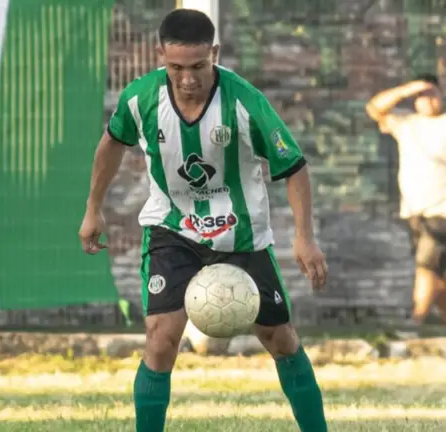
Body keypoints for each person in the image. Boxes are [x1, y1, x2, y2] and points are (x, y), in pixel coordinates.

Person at [79, 9, 328, 432]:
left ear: (214, 53)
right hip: (172, 230)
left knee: (281, 340)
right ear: (161, 55)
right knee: (160, 339)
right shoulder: (141, 98)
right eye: (176, 67)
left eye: (198, 66)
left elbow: (294, 166)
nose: (188, 78)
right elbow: (112, 143)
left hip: (241, 235)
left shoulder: (245, 101)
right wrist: (93, 207)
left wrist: (304, 237)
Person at [366, 74, 446, 329]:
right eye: (421, 95)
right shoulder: (407, 123)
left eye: (432, 93)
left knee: (426, 264)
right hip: (415, 211)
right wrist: (407, 89)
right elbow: (374, 109)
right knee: (438, 269)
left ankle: (414, 322)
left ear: (441, 94)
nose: (428, 99)